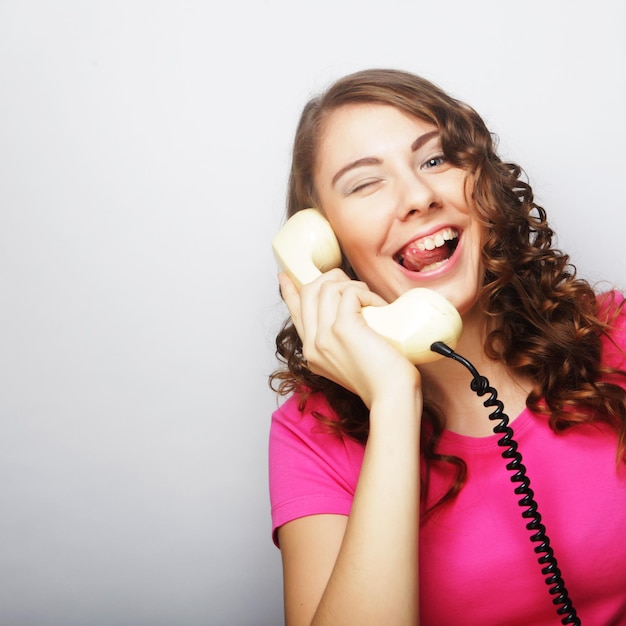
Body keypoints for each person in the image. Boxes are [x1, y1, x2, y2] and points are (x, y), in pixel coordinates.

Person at [268, 68, 626, 625]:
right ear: (324, 245)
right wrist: (392, 400)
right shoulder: (309, 437)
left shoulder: (614, 336)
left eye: (435, 160)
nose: (418, 197)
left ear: (482, 183)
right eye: (366, 183)